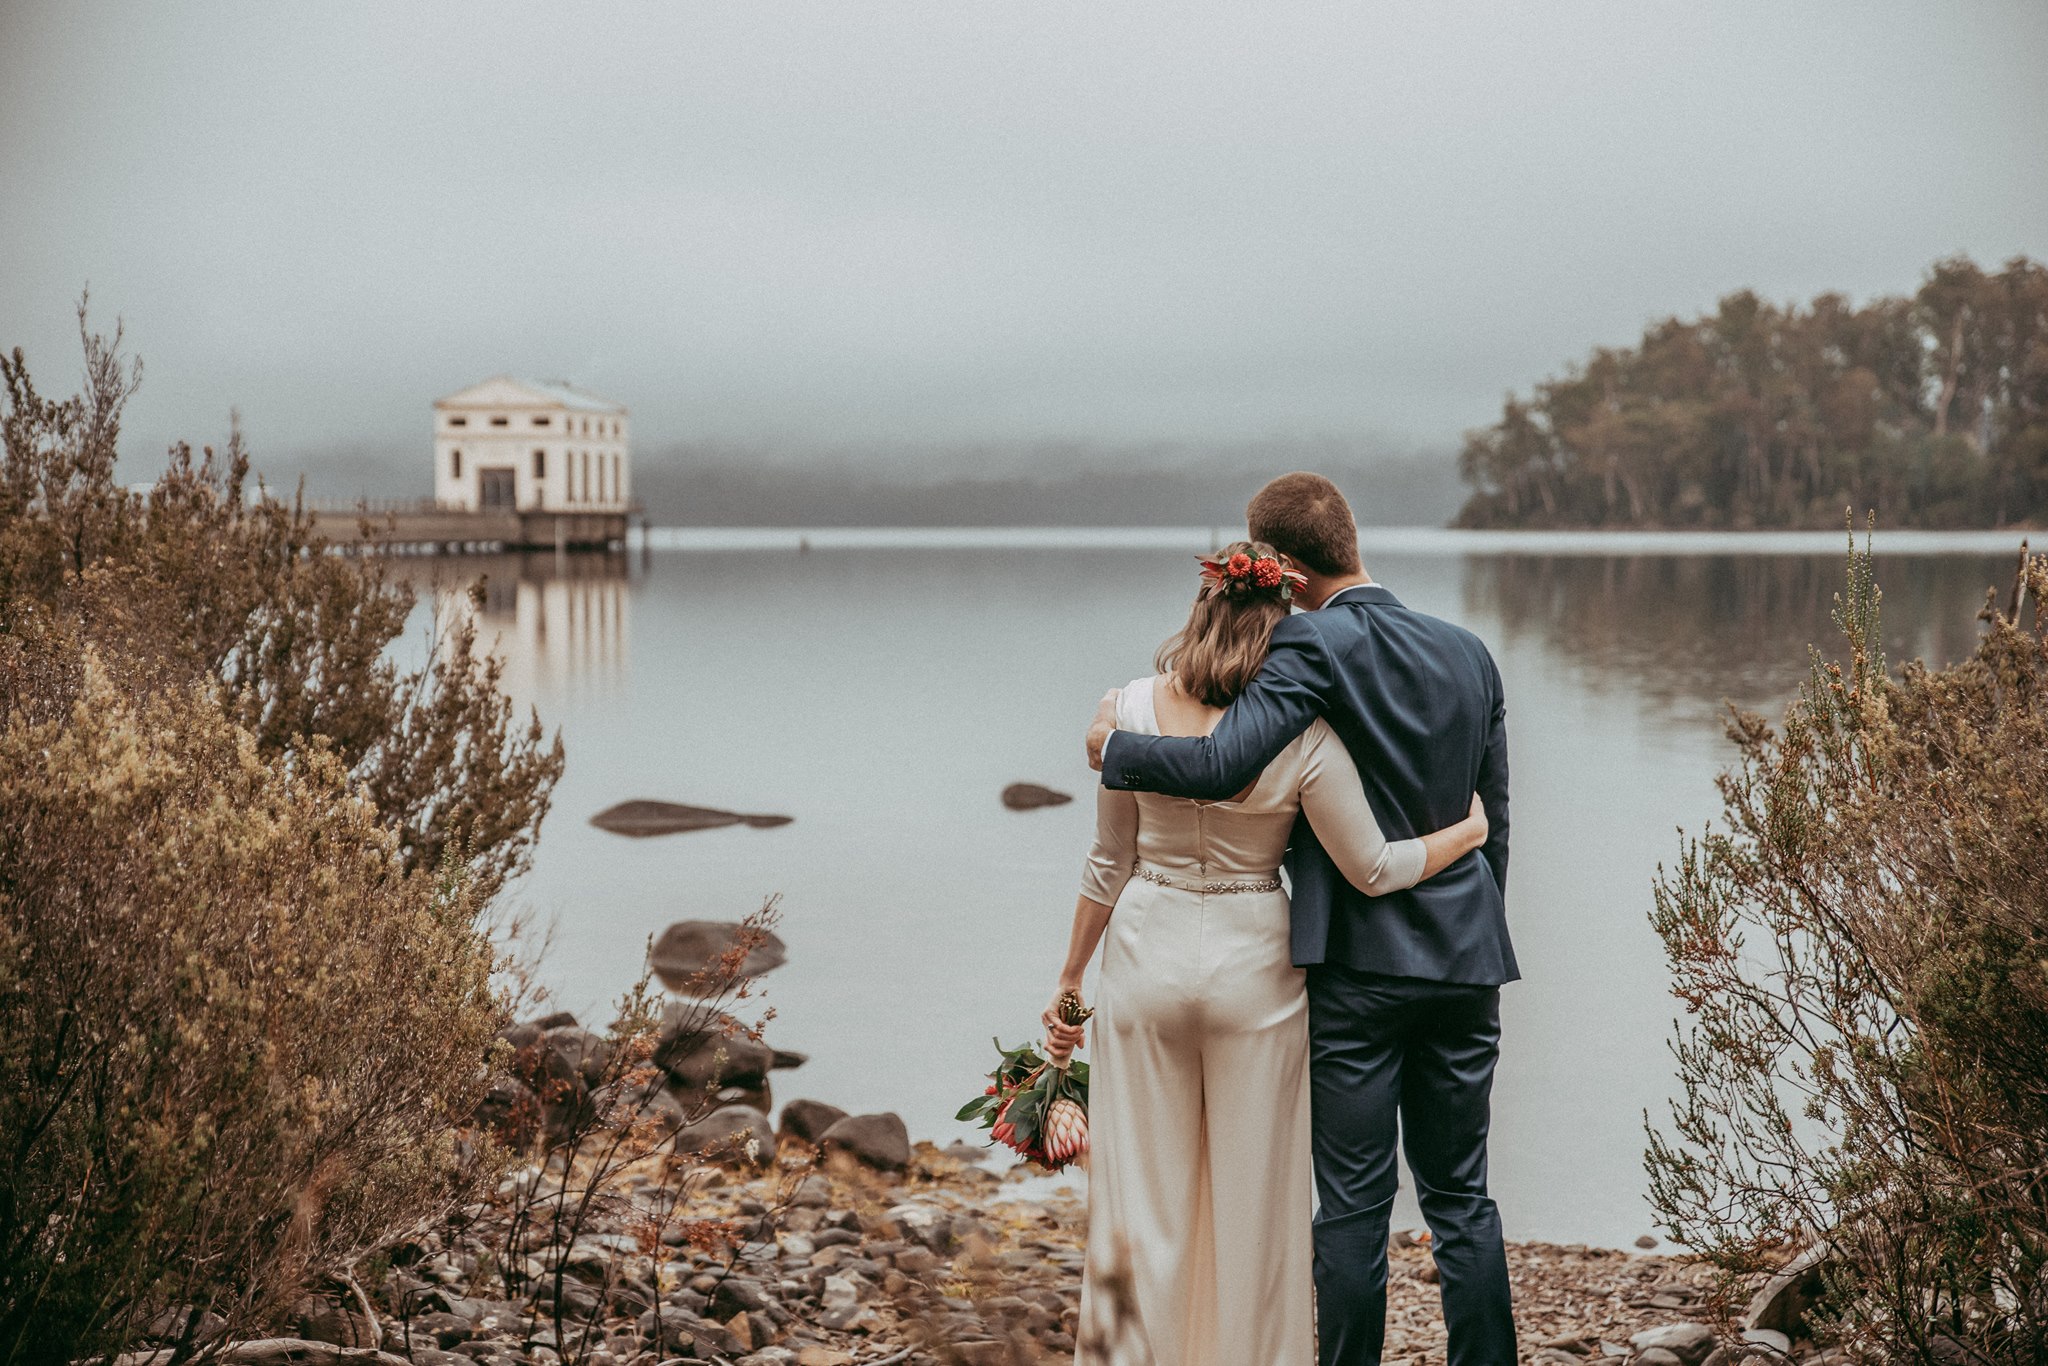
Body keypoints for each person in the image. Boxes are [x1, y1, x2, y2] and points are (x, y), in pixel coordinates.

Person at [1083, 473, 1518, 1366]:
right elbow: (1495, 821)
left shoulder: (1310, 644)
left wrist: (1113, 746)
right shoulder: (1469, 651)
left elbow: (1224, 764)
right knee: (1462, 1198)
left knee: (1353, 1208)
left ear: (1277, 566)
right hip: (1466, 959)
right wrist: (1468, 932)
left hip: (1357, 968)